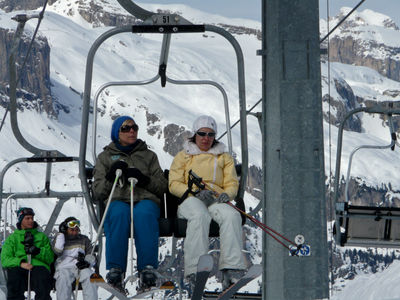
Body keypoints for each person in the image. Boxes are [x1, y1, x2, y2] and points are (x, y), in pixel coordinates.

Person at [168, 115, 246, 290]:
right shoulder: (184, 156)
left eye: (210, 135)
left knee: (232, 215)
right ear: (195, 134)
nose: (206, 138)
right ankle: (195, 270)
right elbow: (173, 183)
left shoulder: (223, 157)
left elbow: (232, 182)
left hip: (215, 199)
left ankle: (231, 268)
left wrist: (227, 194)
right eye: (202, 134)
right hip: (190, 200)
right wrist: (193, 192)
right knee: (199, 215)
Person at [93, 116, 168, 293]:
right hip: (118, 199)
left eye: (134, 127)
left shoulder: (149, 156)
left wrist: (144, 180)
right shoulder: (105, 157)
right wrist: (111, 178)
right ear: (117, 133)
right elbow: (98, 191)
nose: (132, 131)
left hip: (144, 199)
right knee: (119, 213)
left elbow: (162, 186)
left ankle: (147, 269)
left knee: (145, 214)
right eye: (126, 128)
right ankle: (115, 270)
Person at [1, 207, 54, 300]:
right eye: (27, 218)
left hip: (38, 266)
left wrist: (37, 251)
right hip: (20, 267)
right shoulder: (13, 239)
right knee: (14, 279)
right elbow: (5, 259)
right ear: (21, 220)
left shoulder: (41, 237)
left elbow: (50, 258)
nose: (31, 221)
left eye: (32, 218)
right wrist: (20, 263)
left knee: (42, 280)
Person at [52, 217, 98, 300]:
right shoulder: (60, 238)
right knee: (63, 279)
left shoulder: (84, 239)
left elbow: (91, 254)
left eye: (76, 230)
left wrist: (87, 262)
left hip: (80, 267)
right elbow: (57, 251)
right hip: (64, 267)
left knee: (91, 277)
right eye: (72, 230)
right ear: (65, 229)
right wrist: (61, 234)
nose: (74, 232)